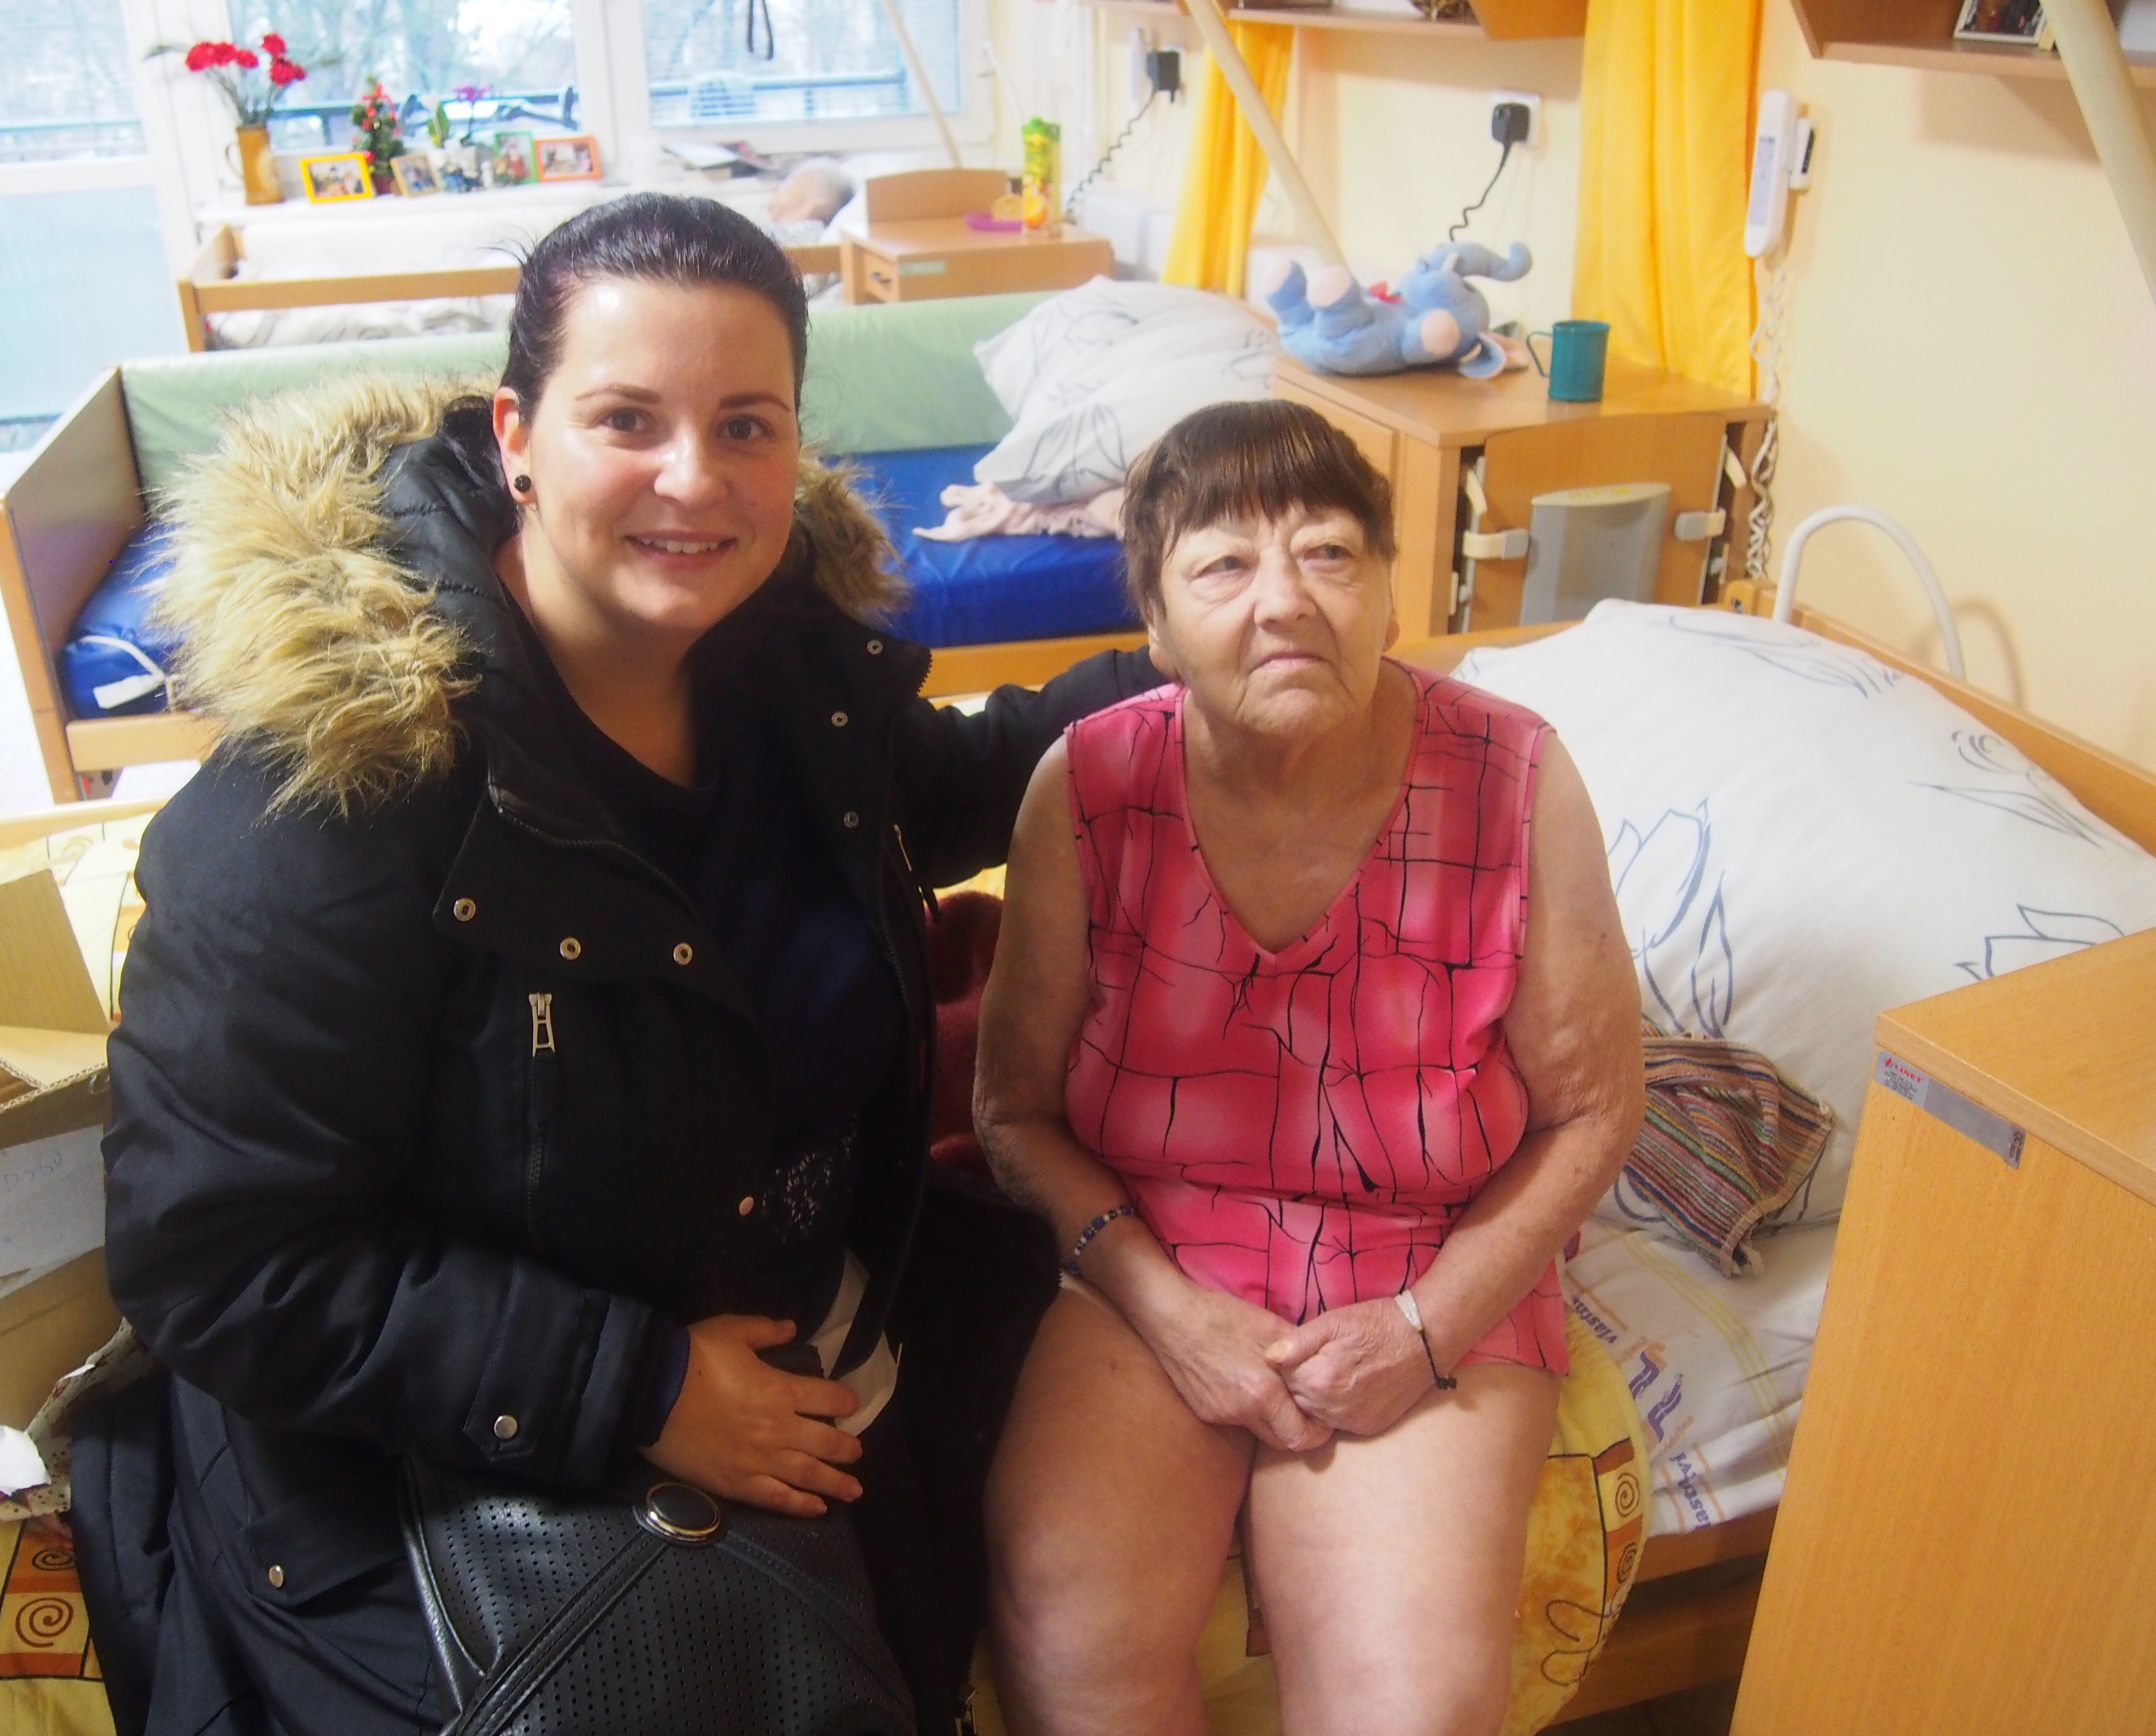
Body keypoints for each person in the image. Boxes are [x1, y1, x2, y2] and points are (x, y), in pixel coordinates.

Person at [80, 193, 1156, 1736]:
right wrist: (632, 1387)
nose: (693, 479)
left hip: (793, 1347)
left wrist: (1204, 640)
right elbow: (219, 1257)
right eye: (627, 420)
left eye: (746, 426)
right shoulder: (331, 808)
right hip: (447, 1445)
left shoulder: (786, 685)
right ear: (515, 435)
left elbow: (969, 776)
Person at [974, 400, 1644, 1736]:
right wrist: (1167, 1309)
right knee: (1070, 1636)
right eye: (1224, 565)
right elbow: (1012, 1112)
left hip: (1431, 1252)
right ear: (1156, 626)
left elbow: (1593, 1113)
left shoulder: (1516, 776)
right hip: (1156, 1253)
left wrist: (1423, 1330)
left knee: (1410, 1706)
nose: (1285, 600)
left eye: (1330, 552)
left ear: (1391, 590)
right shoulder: (1088, 785)